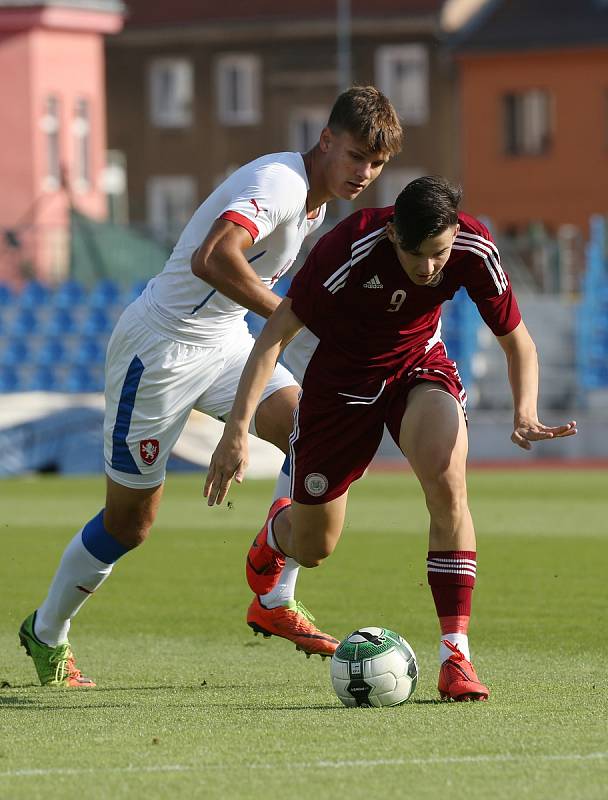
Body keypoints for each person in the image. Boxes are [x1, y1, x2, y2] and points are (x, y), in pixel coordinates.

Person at [19, 86, 403, 687]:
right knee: (129, 525)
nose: (365, 173)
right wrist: (294, 316)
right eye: (356, 156)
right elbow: (212, 258)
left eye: (376, 164)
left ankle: (274, 597)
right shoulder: (280, 184)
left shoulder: (315, 205)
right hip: (160, 350)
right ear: (325, 141)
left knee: (317, 430)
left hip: (223, 341)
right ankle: (46, 632)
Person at [204, 176, 578, 701]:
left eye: (439, 254)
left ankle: (456, 656)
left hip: (417, 368)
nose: (429, 268)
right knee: (314, 547)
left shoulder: (473, 247)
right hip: (338, 385)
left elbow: (518, 343)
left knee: (449, 486)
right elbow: (272, 338)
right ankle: (277, 533)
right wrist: (237, 430)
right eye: (416, 254)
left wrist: (525, 411)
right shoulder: (346, 249)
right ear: (392, 236)